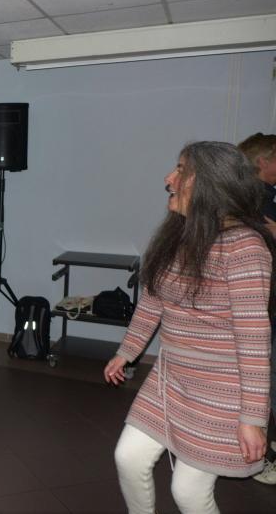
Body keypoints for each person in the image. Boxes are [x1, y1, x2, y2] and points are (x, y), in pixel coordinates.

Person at [104, 141, 274, 513]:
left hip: (221, 392)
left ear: (210, 183)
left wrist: (252, 419)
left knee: (188, 492)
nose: (169, 179)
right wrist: (126, 352)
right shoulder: (178, 237)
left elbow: (254, 341)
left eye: (181, 170)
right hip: (170, 378)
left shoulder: (244, 248)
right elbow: (152, 303)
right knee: (128, 457)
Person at [239, 132, 276, 485]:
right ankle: (261, 456)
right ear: (262, 162)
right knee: (261, 376)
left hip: (268, 300)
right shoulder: (253, 202)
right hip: (260, 302)